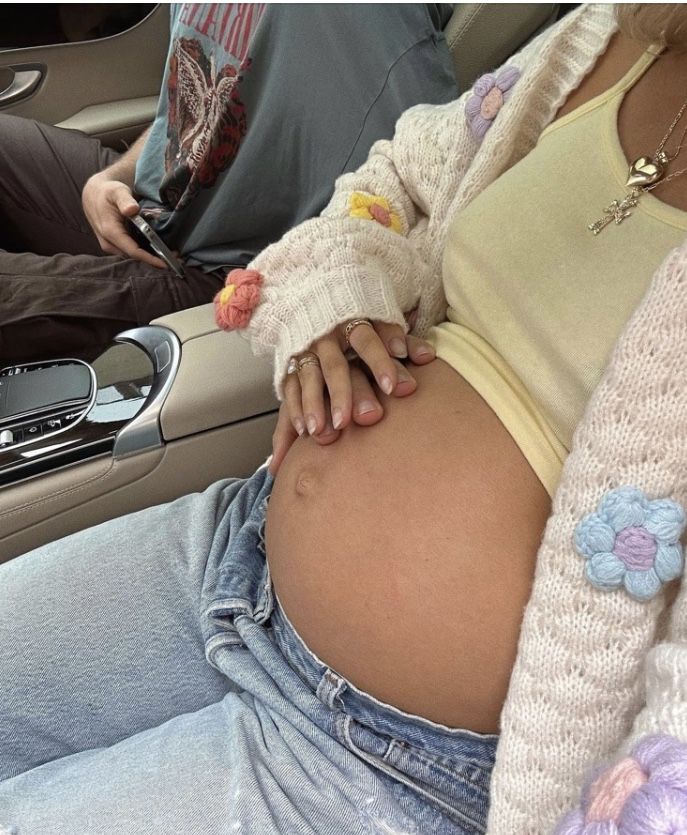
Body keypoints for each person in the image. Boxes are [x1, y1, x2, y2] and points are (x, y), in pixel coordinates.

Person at [3, 3, 687, 834]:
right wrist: (333, 297)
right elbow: (396, 177)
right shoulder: (605, 36)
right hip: (233, 554)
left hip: (389, 768)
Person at [0, 3, 457, 363]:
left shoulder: (375, 27)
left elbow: (420, 188)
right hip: (152, 209)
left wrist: (316, 303)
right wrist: (107, 180)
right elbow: (190, 111)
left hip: (223, 274)